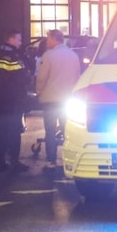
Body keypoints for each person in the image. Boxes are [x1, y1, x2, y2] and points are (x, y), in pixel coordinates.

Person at [0, 29, 32, 173]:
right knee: (14, 132)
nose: (20, 42)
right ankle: (14, 162)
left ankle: (0, 162)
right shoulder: (14, 57)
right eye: (18, 39)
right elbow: (24, 78)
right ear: (11, 39)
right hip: (13, 101)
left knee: (0, 132)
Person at [35, 29, 82, 168]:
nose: (47, 42)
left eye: (48, 38)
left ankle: (51, 160)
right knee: (67, 130)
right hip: (67, 99)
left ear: (53, 39)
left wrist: (39, 92)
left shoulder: (48, 55)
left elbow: (41, 78)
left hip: (50, 99)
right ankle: (70, 159)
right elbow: (77, 76)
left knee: (50, 131)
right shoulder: (73, 55)